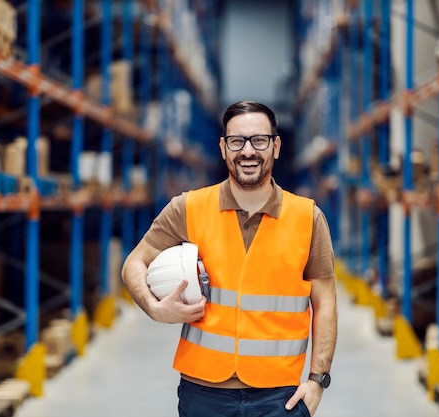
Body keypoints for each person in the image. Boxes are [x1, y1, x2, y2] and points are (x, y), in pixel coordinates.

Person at [121, 100, 337, 417]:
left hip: (279, 396)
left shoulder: (308, 218)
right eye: (237, 141)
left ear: (276, 146)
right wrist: (155, 308)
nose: (248, 151)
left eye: (259, 140)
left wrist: (318, 380)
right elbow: (134, 264)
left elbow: (325, 301)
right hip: (203, 393)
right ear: (223, 148)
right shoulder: (188, 208)